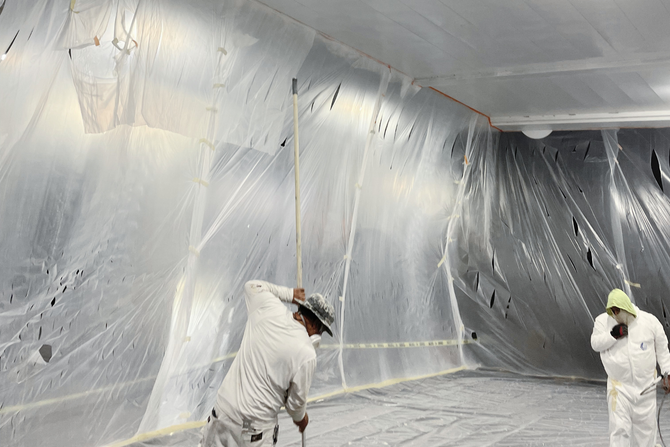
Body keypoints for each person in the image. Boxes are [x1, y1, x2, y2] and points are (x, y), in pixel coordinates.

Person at [199, 279, 335, 447]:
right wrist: (302, 419)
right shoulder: (307, 353)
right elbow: (295, 405)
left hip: (222, 414)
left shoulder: (268, 308)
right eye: (321, 330)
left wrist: (290, 294)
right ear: (315, 323)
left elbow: (251, 286)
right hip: (252, 429)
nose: (319, 336)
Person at [591, 288, 670, 446]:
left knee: (646, 430)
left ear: (626, 308)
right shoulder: (602, 321)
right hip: (619, 388)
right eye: (612, 311)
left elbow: (662, 347)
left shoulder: (649, 322)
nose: (614, 315)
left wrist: (668, 372)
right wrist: (612, 335)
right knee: (619, 429)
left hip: (646, 387)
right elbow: (595, 344)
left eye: (617, 311)